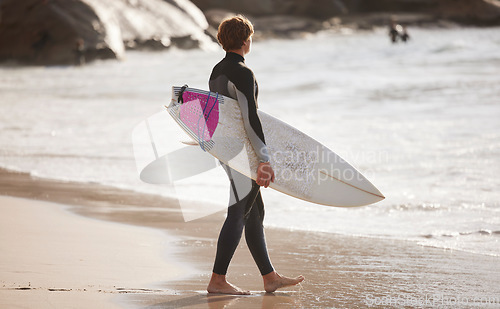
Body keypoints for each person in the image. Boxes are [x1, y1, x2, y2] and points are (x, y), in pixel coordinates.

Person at [206, 15, 305, 295]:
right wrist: (263, 159)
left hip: (226, 149)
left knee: (254, 211)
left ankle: (269, 276)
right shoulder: (243, 72)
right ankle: (217, 280)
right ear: (246, 40)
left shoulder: (216, 71)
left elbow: (223, 116)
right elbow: (250, 118)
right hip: (243, 152)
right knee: (238, 212)